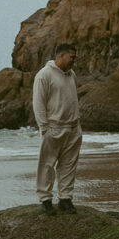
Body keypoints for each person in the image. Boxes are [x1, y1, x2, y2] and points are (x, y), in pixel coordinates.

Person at [32, 43, 82, 215]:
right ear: (60, 56)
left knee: (68, 165)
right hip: (53, 127)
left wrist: (77, 125)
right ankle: (45, 200)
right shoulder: (44, 75)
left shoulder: (71, 75)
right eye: (72, 57)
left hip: (73, 127)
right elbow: (38, 103)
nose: (74, 60)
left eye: (75, 57)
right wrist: (44, 128)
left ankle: (65, 198)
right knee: (47, 164)